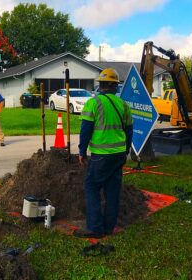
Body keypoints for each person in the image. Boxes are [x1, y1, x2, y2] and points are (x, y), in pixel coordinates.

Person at [74, 68, 133, 238]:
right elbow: (129, 131)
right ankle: (109, 227)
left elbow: (85, 130)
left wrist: (81, 152)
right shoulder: (124, 105)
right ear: (115, 86)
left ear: (100, 85)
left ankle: (94, 228)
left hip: (101, 155)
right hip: (119, 154)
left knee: (91, 187)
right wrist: (125, 152)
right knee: (112, 190)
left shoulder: (93, 103)